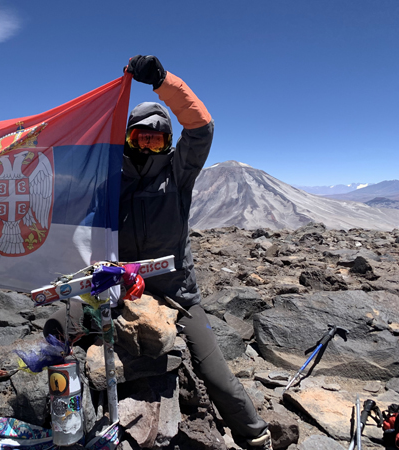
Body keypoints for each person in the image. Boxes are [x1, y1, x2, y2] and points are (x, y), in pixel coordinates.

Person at [45, 55, 272, 450]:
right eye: (140, 138)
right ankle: (64, 423)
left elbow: (201, 128)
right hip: (114, 290)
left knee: (214, 370)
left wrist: (165, 81)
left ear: (168, 143)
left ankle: (255, 435)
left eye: (157, 139)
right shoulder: (109, 178)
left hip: (176, 293)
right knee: (57, 335)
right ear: (127, 140)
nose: (149, 146)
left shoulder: (178, 174)